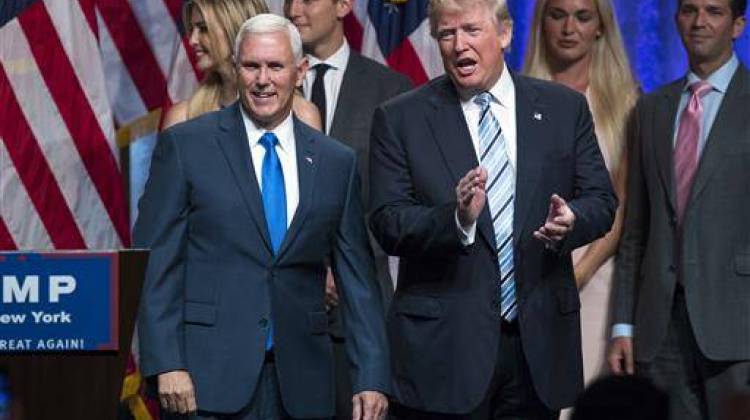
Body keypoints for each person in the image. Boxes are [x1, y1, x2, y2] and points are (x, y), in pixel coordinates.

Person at [368, 0, 617, 416]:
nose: (458, 45)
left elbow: (603, 201)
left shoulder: (562, 109)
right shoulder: (401, 118)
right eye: (446, 34)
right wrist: (456, 219)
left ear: (504, 34)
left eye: (470, 30)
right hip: (444, 352)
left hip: (536, 349)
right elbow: (387, 221)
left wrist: (572, 220)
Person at [134, 13, 389, 420]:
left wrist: (372, 376)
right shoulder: (187, 146)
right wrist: (166, 362)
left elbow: (358, 281)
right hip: (204, 380)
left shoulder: (334, 162)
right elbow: (155, 261)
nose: (262, 79)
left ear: (300, 71)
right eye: (252, 66)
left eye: (275, 66)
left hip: (302, 383)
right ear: (236, 70)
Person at [608, 0, 750, 419]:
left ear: (738, 25)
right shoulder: (652, 109)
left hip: (738, 327)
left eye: (714, 11)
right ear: (676, 20)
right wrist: (623, 323)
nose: (699, 21)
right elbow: (636, 228)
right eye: (690, 10)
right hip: (659, 328)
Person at [283, 0, 412, 416]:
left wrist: (342, 266)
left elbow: (396, 199)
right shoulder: (267, 84)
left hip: (360, 313)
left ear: (343, 5)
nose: (294, 8)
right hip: (282, 314)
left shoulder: (390, 90)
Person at [523, 0, 638, 388]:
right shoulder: (515, 94)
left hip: (595, 274)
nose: (569, 28)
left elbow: (622, 206)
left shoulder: (626, 103)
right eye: (558, 15)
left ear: (601, 27)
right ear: (541, 23)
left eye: (583, 16)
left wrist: (581, 271)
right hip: (527, 270)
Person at [163, 0, 321, 130]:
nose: (192, 40)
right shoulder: (182, 119)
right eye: (192, 29)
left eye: (203, 29)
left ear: (236, 29)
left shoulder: (302, 116)